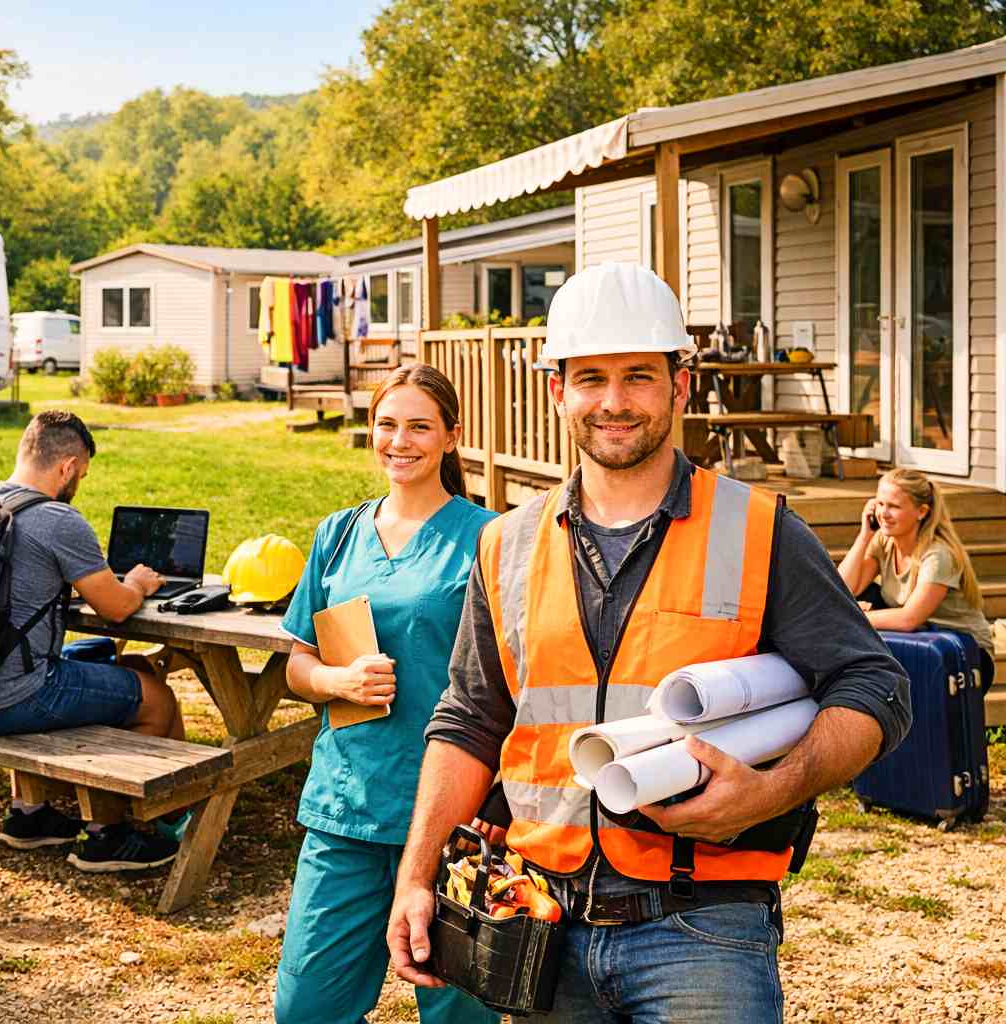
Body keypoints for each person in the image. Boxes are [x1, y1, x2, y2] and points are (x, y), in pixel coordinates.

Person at [385, 262, 912, 1022]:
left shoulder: (759, 529)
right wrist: (416, 874)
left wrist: (774, 789)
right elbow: (469, 718)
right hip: (541, 922)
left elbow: (875, 686)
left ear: (680, 385)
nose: (614, 402)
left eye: (638, 376)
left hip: (705, 926)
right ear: (558, 388)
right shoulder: (505, 545)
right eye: (591, 377)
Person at [273, 364, 501, 1024]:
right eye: (387, 424)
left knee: (459, 1015)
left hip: (457, 816)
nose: (400, 441)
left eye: (420, 427)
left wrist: (497, 799)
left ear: (452, 438)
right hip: (347, 807)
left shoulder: (489, 539)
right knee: (307, 1009)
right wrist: (333, 681)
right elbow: (298, 663)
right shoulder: (337, 535)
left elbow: (521, 682)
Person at [0, 410, 190, 872]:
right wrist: (139, 583)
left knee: (109, 659)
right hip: (5, 699)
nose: (78, 483)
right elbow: (117, 607)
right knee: (155, 697)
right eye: (80, 474)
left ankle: (30, 815)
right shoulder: (58, 519)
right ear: (66, 466)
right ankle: (109, 835)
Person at [839, 467, 994, 691]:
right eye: (880, 504)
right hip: (921, 644)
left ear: (921, 511)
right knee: (866, 594)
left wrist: (856, 618)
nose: (883, 513)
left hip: (964, 655)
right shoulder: (884, 541)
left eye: (893, 506)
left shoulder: (938, 555)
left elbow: (908, 619)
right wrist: (864, 536)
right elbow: (844, 589)